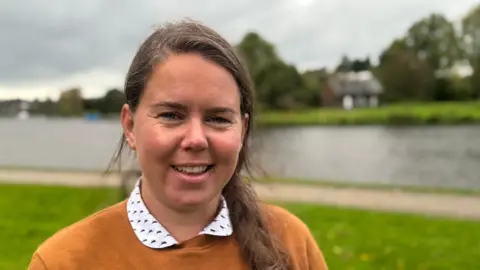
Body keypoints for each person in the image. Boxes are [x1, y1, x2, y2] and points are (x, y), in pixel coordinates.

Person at [27, 19, 328, 270]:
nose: (196, 139)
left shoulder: (290, 243)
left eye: (218, 118)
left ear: (243, 129)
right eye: (171, 115)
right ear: (130, 126)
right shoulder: (62, 261)